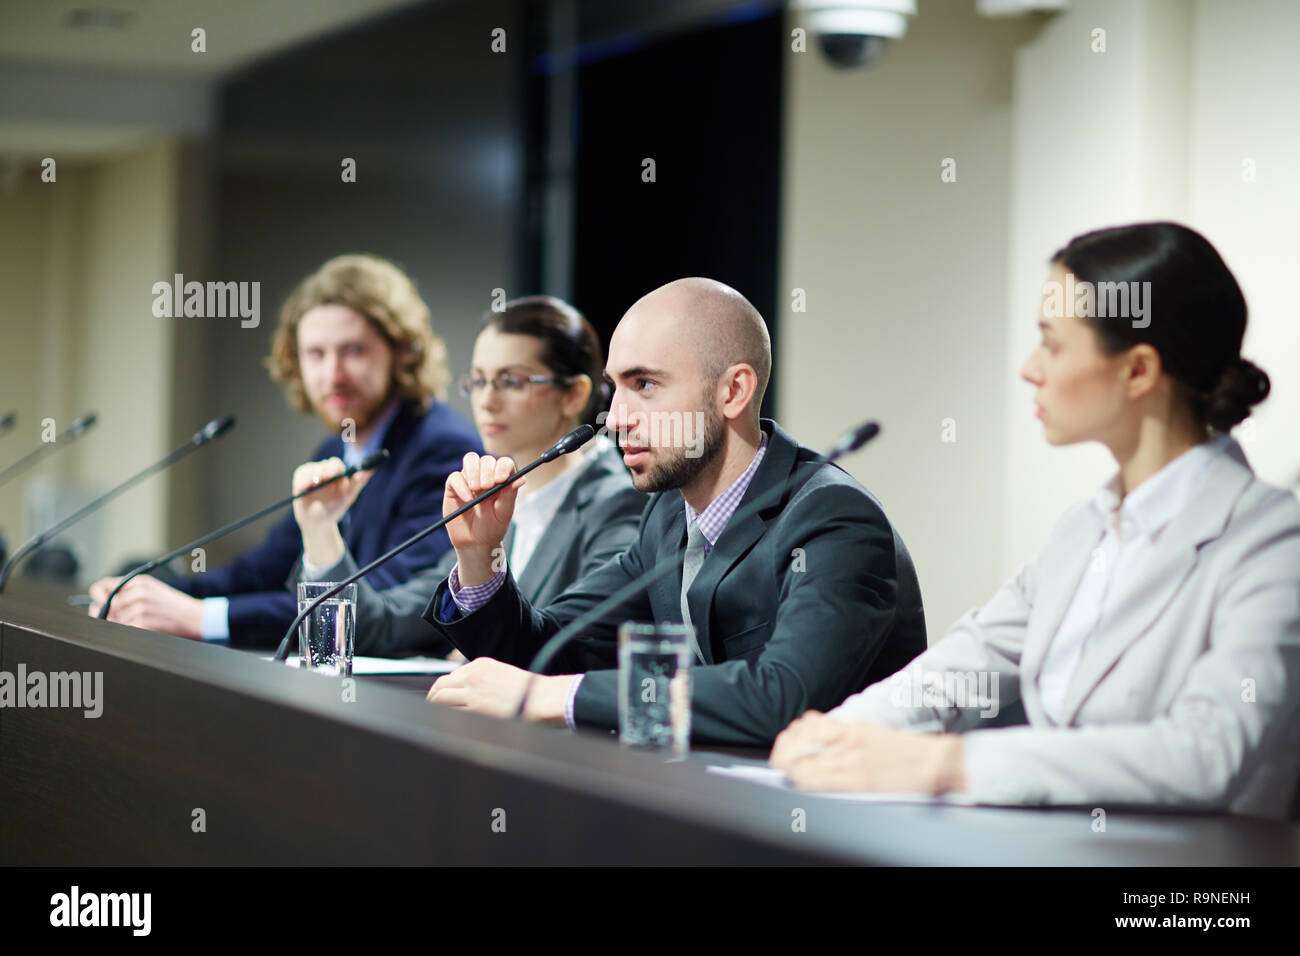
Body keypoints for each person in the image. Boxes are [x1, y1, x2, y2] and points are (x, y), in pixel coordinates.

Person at [770, 222, 1300, 820]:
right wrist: (837, 733)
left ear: (1137, 371)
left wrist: (946, 766)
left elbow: (1206, 752)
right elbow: (965, 665)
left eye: (1051, 343)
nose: (1029, 368)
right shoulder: (1084, 528)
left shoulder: (1271, 539)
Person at [420, 277, 928, 746]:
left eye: (644, 385)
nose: (615, 419)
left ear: (733, 391)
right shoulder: (666, 516)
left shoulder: (834, 517)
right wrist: (479, 555)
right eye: (614, 387)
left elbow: (783, 696)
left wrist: (553, 699)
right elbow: (552, 651)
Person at [88, 254, 481, 648]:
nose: (333, 374)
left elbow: (365, 609)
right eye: (316, 354)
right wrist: (157, 594)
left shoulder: (441, 450)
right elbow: (266, 568)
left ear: (401, 352)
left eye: (354, 350)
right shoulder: (334, 449)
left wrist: (198, 617)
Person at [291, 295, 647, 658]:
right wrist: (320, 530)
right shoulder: (501, 501)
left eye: (511, 381)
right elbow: (377, 628)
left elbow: (568, 651)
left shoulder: (620, 506)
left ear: (574, 394)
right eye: (478, 381)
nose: (486, 401)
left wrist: (476, 647)